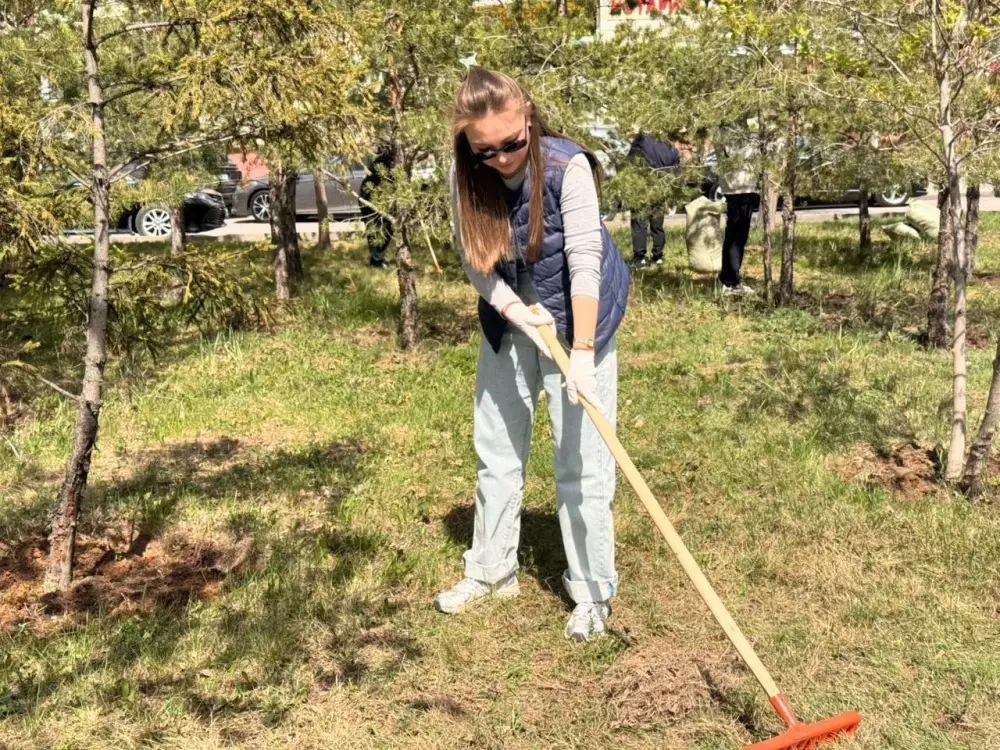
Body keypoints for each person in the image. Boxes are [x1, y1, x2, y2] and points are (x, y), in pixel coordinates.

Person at [437, 67, 630, 642]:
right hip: (510, 316)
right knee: (496, 450)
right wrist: (511, 309)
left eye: (512, 144)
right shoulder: (467, 177)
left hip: (579, 315)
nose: (500, 159)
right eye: (485, 151)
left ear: (528, 116)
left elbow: (585, 259)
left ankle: (592, 592)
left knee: (583, 461)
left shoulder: (569, 169)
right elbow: (474, 259)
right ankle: (492, 572)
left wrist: (584, 353)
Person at [716, 124, 758, 296]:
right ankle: (729, 281)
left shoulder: (735, 128)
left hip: (744, 185)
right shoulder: (726, 129)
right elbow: (737, 156)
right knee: (736, 235)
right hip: (738, 186)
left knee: (739, 236)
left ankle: (731, 278)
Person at [628, 131, 680, 268]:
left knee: (639, 223)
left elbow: (631, 161)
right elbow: (675, 170)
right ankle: (658, 256)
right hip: (660, 190)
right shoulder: (670, 147)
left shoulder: (641, 140)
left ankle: (640, 258)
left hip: (642, 187)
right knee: (657, 225)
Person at [360, 146, 394, 269]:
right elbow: (388, 181)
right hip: (369, 199)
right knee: (374, 230)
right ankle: (376, 262)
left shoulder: (395, 162)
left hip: (383, 200)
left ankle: (378, 258)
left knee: (389, 229)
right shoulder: (381, 162)